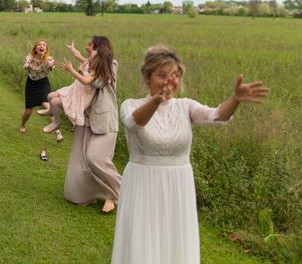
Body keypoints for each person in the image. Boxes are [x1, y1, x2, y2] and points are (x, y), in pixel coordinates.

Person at [111, 45, 269, 264]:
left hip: (178, 186)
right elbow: (134, 122)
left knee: (175, 245)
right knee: (142, 242)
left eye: (175, 75)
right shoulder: (131, 105)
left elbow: (217, 116)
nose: (170, 81)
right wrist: (157, 99)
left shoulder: (185, 106)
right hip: (143, 185)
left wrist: (235, 99)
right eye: (162, 75)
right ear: (147, 77)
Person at [44, 36, 121, 213]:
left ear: (99, 49)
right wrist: (78, 56)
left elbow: (96, 81)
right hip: (86, 117)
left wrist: (77, 69)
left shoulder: (111, 64)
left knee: (96, 158)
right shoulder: (91, 63)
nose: (87, 47)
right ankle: (87, 194)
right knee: (80, 160)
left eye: (90, 45)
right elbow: (88, 65)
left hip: (104, 120)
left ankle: (117, 193)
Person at [19, 40, 58, 138]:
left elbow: (51, 65)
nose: (41, 46)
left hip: (43, 84)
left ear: (45, 50)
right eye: (39, 45)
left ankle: (57, 131)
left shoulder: (49, 59)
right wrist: (28, 66)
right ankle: (23, 125)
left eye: (44, 45)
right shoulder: (30, 57)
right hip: (31, 84)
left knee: (48, 106)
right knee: (28, 112)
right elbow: (25, 66)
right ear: (36, 49)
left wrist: (51, 65)